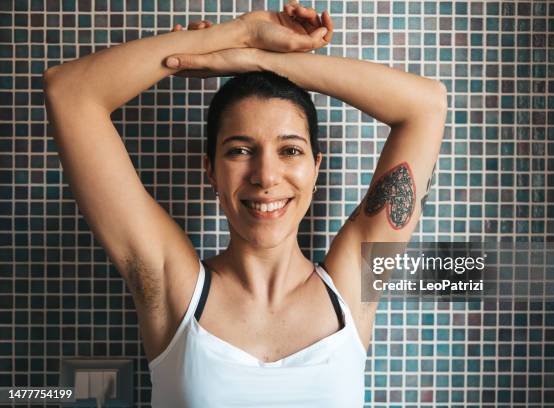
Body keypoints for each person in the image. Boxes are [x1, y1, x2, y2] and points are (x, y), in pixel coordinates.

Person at [43, 1, 447, 406]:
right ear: (211, 169)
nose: (266, 176)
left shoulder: (351, 289)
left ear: (315, 167)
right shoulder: (174, 291)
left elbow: (425, 105)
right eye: (239, 150)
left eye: (290, 151)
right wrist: (238, 33)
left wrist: (254, 60)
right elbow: (70, 92)